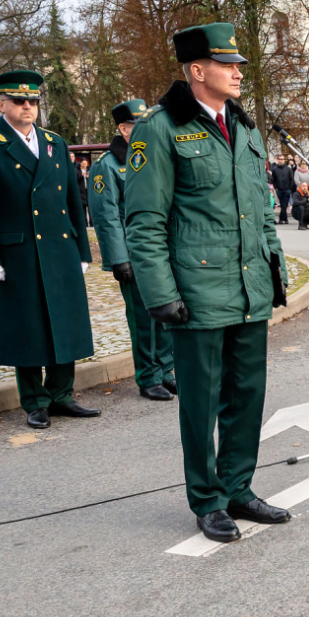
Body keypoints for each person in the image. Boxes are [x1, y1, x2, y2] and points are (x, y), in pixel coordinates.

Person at [125, 22, 291, 545]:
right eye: (228, 64)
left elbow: (262, 212)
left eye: (239, 64)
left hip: (248, 288)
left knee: (247, 393)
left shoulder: (244, 128)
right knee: (201, 400)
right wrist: (160, 294)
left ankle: (238, 487)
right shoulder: (160, 129)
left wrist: (275, 269)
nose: (240, 71)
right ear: (198, 71)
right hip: (196, 291)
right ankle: (208, 499)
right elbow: (145, 221)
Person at [0, 69, 99, 429]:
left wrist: (82, 249)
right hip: (16, 252)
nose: (28, 107)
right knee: (28, 325)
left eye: (33, 101)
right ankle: (35, 400)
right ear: (0, 102)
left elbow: (72, 200)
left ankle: (61, 393)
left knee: (64, 321)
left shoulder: (54, 141)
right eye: (19, 101)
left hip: (59, 247)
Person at [89, 98, 176, 401]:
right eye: (136, 126)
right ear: (123, 129)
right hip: (134, 254)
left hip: (163, 250)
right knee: (143, 319)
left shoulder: (156, 156)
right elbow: (106, 215)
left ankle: (167, 372)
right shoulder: (108, 165)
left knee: (168, 313)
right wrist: (118, 258)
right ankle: (148, 377)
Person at [269, 156, 294, 223]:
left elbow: (291, 179)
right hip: (279, 189)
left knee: (285, 204)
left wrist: (290, 188)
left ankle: (282, 218)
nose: (281, 160)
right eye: (280, 159)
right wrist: (276, 188)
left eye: (283, 159)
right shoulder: (275, 169)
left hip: (287, 189)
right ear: (278, 160)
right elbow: (273, 179)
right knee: (282, 204)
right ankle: (284, 219)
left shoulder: (288, 169)